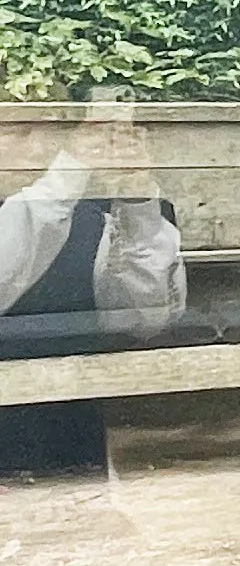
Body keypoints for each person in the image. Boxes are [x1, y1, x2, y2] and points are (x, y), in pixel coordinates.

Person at [0, 128, 187, 480]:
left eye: (47, 131)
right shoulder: (51, 200)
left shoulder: (97, 214)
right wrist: (63, 180)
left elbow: (146, 318)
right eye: (19, 130)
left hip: (71, 441)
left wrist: (137, 200)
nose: (37, 145)